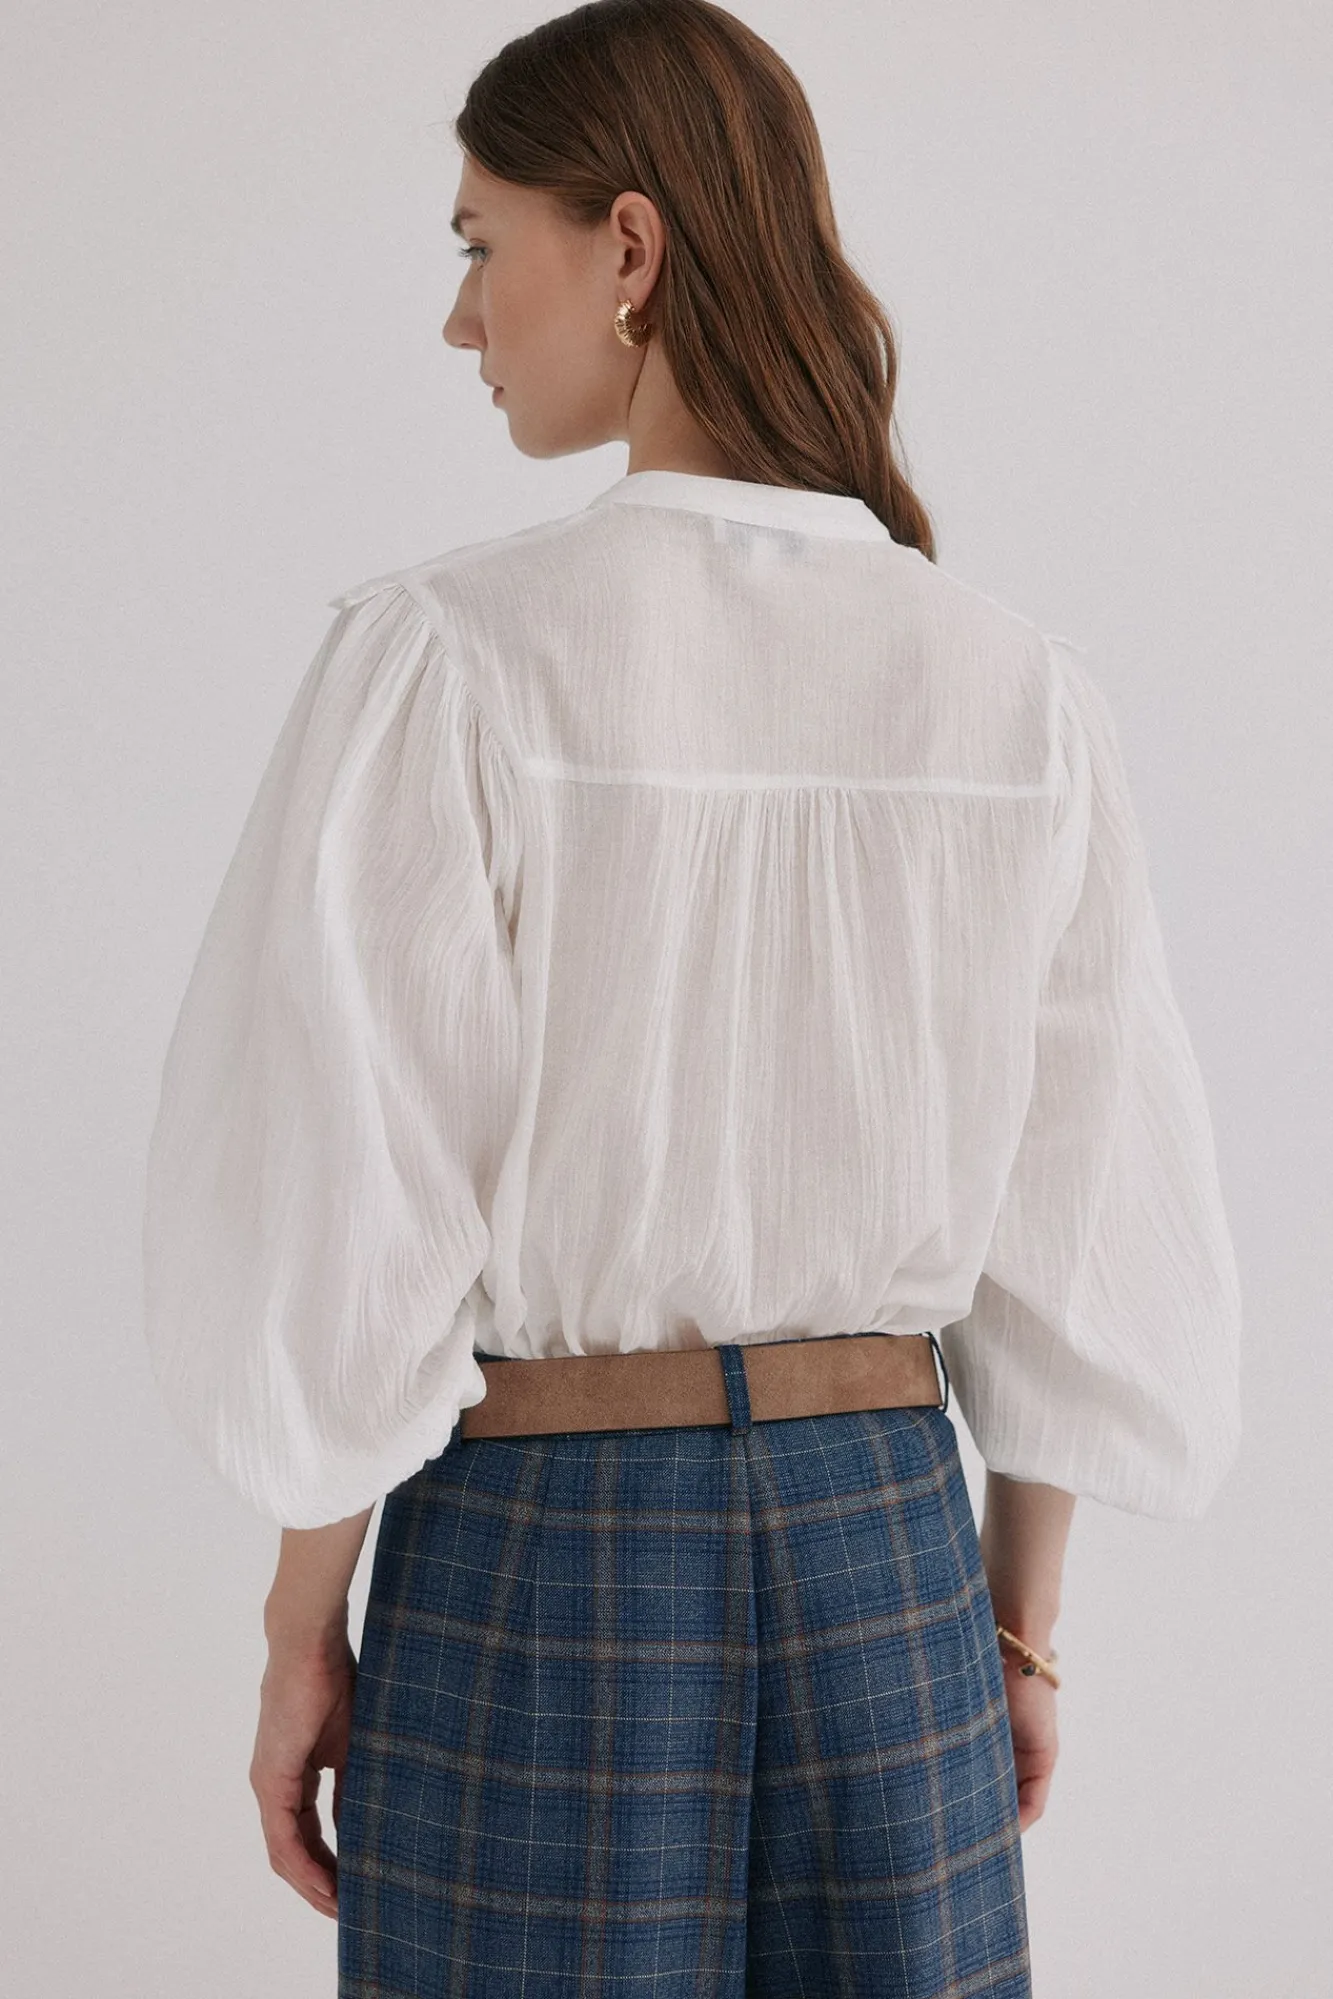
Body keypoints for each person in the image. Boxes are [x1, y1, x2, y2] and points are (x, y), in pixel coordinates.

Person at [140, 2, 1243, 1993]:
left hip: (537, 1554)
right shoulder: (1017, 691)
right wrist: (1016, 1627)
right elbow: (1085, 1209)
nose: (462, 319)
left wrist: (303, 1627)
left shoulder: (453, 662)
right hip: (887, 1555)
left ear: (628, 248)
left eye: (483, 244)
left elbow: (349, 1204)